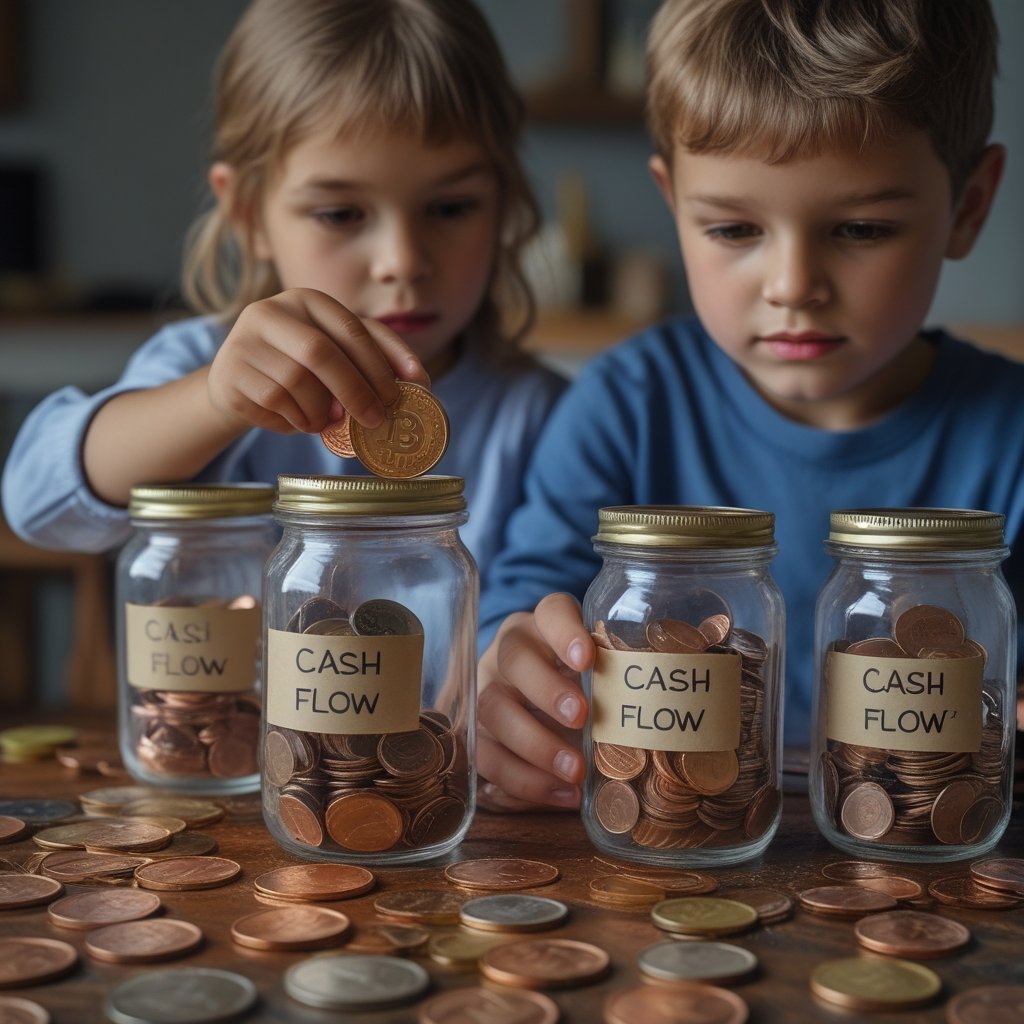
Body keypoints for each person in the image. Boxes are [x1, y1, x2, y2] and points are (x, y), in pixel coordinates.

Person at [475, 0, 1023, 812]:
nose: (793, 284)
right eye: (734, 229)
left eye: (863, 229)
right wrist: (511, 677)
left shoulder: (1010, 434)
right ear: (674, 203)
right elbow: (520, 613)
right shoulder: (625, 406)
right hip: (677, 837)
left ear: (969, 207)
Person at [1, 0, 566, 582]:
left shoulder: (548, 418)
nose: (403, 262)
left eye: (451, 207)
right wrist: (213, 404)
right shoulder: (202, 364)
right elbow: (37, 505)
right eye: (341, 213)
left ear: (504, 203)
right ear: (247, 214)